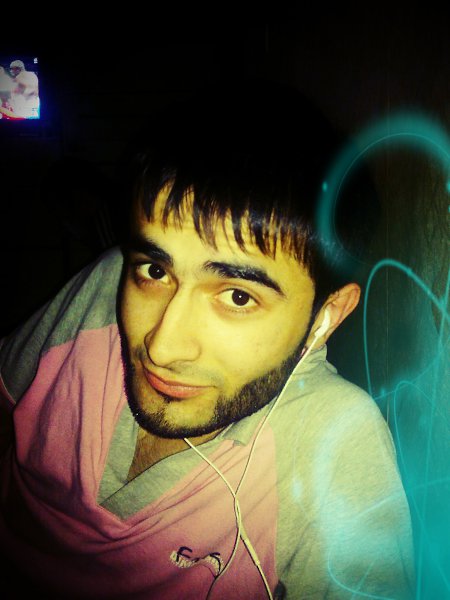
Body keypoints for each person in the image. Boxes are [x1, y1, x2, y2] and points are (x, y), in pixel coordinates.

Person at [0, 79, 414, 599]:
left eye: (238, 296)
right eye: (156, 270)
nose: (161, 347)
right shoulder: (106, 281)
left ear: (326, 316)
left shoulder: (332, 443)